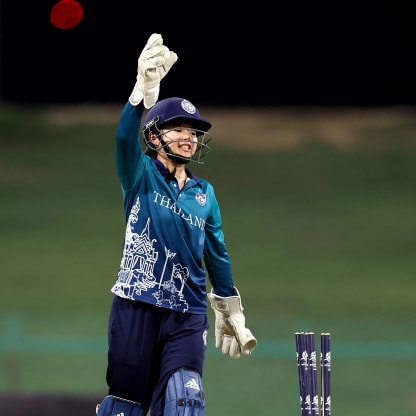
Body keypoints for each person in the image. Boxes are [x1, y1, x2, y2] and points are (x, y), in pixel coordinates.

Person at [96, 33, 257, 416]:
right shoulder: (140, 176)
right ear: (154, 135)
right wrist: (141, 92)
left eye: (194, 131)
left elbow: (216, 252)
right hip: (136, 303)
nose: (189, 137)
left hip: (187, 312)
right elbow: (123, 139)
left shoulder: (206, 194)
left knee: (186, 400)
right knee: (126, 405)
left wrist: (230, 307)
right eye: (179, 128)